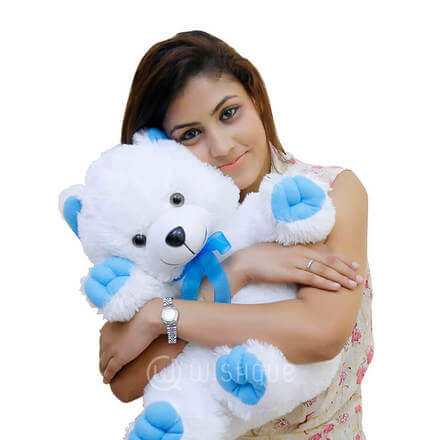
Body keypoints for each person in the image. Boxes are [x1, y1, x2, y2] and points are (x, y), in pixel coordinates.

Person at [98, 30, 373, 439]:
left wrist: (161, 316)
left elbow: (320, 334)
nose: (222, 146)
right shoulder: (170, 234)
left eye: (228, 113)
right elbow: (126, 380)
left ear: (255, 99)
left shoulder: (328, 193)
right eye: (190, 134)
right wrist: (240, 269)